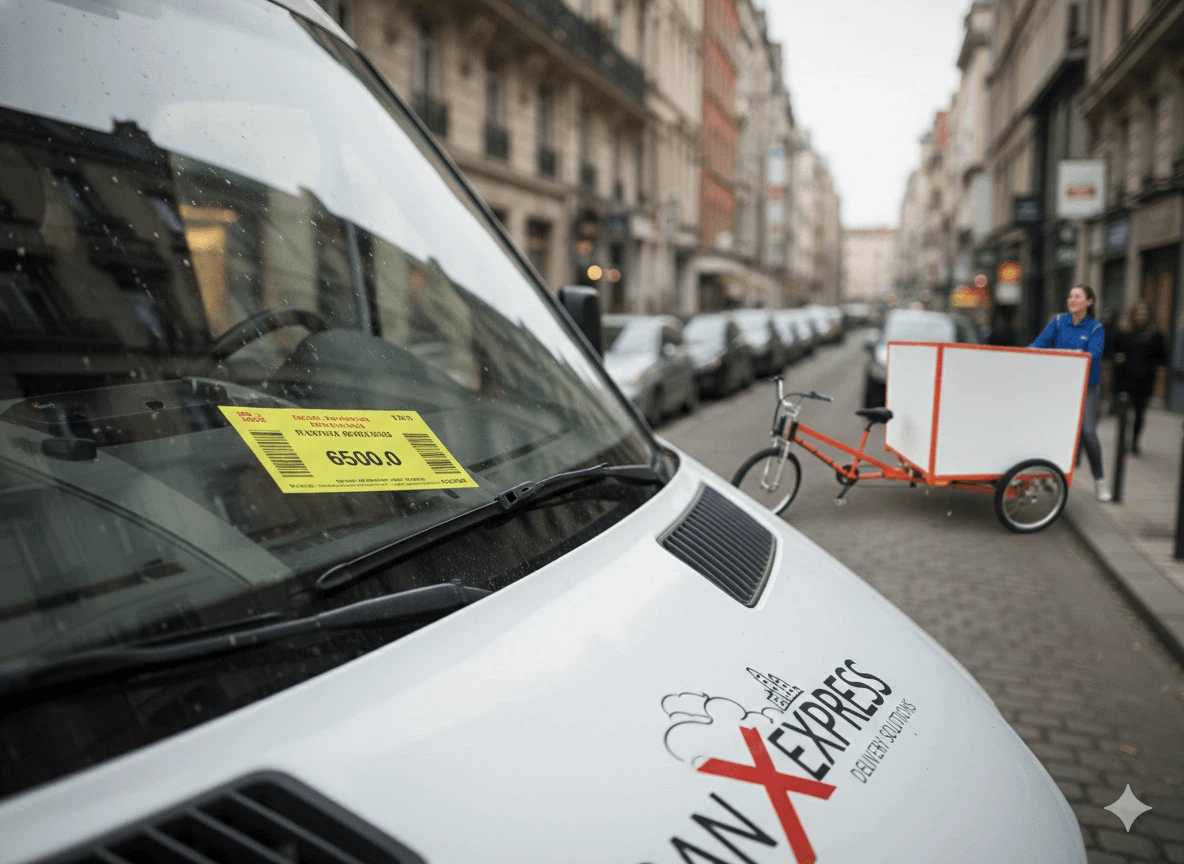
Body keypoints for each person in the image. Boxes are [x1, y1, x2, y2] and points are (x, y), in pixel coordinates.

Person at [1030, 285, 1109, 501]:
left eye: (1077, 296)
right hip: (1059, 388)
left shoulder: (1095, 328)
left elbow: (1093, 354)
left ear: (1089, 302)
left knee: (1088, 432)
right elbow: (1038, 345)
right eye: (1070, 296)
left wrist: (1065, 354)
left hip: (1086, 388)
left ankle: (1100, 480)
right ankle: (1047, 476)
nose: (1072, 299)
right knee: (1050, 430)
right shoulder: (1058, 322)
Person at [1114, 302, 1167, 455]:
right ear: (1133, 315)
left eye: (1144, 314)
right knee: (1124, 412)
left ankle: (1134, 442)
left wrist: (1155, 368)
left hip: (1145, 380)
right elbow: (1116, 351)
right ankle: (1123, 441)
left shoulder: (1154, 334)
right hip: (1126, 379)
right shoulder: (1125, 332)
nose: (1141, 316)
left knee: (1139, 413)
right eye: (1138, 313)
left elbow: (1162, 356)